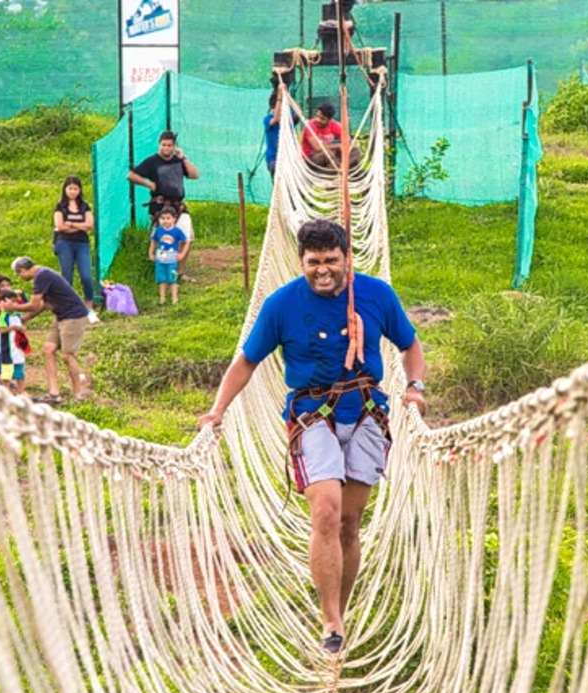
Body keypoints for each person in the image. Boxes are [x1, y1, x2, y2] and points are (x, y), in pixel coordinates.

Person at [198, 219, 427, 655]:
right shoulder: (281, 304)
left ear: (347, 259)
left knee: (349, 522)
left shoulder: (376, 294)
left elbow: (410, 346)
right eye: (313, 262)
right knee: (325, 510)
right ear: (301, 261)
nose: (323, 270)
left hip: (364, 412)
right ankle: (331, 620)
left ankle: (342, 601)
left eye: (331, 261)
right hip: (311, 415)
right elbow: (246, 362)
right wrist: (217, 410)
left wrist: (414, 388)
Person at [7, 256, 90, 405]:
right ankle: (54, 393)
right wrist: (25, 318)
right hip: (61, 315)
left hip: (73, 316)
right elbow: (43, 304)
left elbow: (33, 304)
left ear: (23, 270)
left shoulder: (41, 275)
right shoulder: (43, 275)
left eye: (19, 274)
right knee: (48, 349)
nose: (20, 277)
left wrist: (12, 307)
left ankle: (79, 395)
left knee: (67, 355)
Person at [128, 131, 198, 275]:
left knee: (187, 237)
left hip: (179, 206)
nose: (166, 148)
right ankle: (163, 272)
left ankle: (180, 272)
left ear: (174, 147)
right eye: (163, 145)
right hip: (160, 207)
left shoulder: (179, 161)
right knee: (164, 239)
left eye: (169, 145)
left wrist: (183, 158)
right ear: (159, 145)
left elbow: (194, 175)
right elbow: (131, 175)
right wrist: (147, 183)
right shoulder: (152, 161)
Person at [53, 176, 100, 323]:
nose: (73, 191)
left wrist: (71, 224)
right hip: (64, 243)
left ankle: (89, 307)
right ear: (65, 189)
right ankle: (67, 307)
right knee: (67, 275)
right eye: (70, 188)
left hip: (82, 243)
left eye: (75, 188)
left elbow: (90, 225)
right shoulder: (60, 206)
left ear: (80, 190)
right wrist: (80, 226)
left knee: (86, 275)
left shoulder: (84, 206)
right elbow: (60, 226)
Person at [150, 205, 189, 306]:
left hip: (172, 260)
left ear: (174, 219)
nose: (165, 221)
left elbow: (186, 242)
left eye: (168, 218)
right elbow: (153, 241)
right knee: (161, 279)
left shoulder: (177, 231)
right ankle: (162, 298)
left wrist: (182, 254)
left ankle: (174, 298)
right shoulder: (158, 230)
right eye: (163, 218)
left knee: (172, 279)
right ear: (159, 219)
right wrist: (151, 253)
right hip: (160, 259)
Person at [0, 288, 29, 394]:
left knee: (20, 371)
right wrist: (14, 327)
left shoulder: (17, 315)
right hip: (7, 349)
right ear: (3, 302)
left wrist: (22, 328)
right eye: (12, 301)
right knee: (7, 373)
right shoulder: (3, 316)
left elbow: (23, 325)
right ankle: (7, 394)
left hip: (18, 348)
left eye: (15, 301)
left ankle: (21, 392)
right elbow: (2, 329)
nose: (14, 304)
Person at [264, 90, 299, 180]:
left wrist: (288, 97)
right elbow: (275, 119)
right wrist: (279, 97)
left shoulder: (288, 120)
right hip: (274, 159)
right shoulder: (268, 119)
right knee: (277, 173)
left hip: (289, 158)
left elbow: (298, 112)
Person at [301, 102, 345, 168]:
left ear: (329, 120)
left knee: (355, 150)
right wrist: (338, 146)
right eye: (317, 116)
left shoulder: (334, 125)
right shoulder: (310, 125)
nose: (318, 120)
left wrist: (344, 146)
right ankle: (339, 170)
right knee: (328, 154)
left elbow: (347, 140)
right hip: (310, 157)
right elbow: (317, 147)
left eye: (322, 119)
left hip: (329, 153)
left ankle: (343, 167)